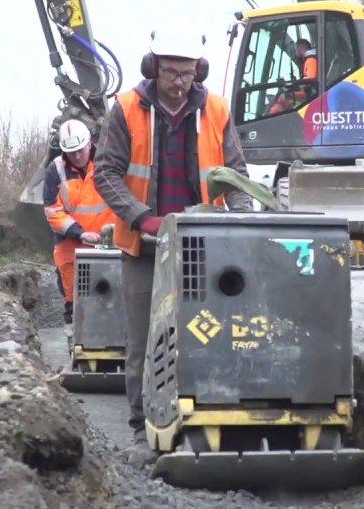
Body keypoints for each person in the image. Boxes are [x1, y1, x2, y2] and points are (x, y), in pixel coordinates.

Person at [93, 25, 253, 464]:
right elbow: (105, 172)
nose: (178, 82)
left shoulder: (217, 110)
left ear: (197, 71)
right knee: (145, 340)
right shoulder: (125, 109)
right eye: (170, 73)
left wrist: (244, 217)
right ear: (154, 68)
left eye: (186, 74)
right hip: (144, 246)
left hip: (205, 246)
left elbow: (236, 174)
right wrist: (142, 218)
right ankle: (141, 431)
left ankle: (206, 418)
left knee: (211, 334)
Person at [42, 119, 117, 328]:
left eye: (80, 150)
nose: (77, 156)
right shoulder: (55, 171)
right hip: (71, 249)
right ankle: (74, 348)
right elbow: (52, 212)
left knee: (112, 299)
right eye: (71, 152)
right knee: (74, 304)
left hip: (110, 246)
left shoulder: (108, 163)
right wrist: (79, 233)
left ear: (90, 143)